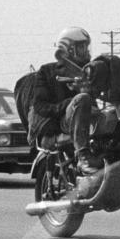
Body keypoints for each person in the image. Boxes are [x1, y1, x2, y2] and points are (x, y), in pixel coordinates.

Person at [29, 26, 105, 169]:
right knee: (82, 99)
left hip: (89, 121)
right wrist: (70, 103)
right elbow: (40, 106)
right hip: (61, 123)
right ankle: (83, 155)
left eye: (87, 47)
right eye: (82, 47)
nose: (87, 52)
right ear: (69, 49)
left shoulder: (91, 71)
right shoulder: (47, 72)